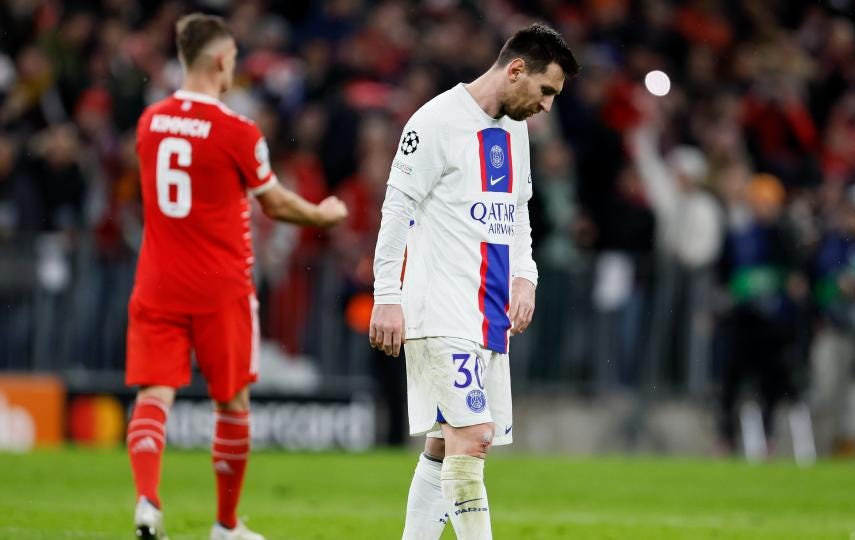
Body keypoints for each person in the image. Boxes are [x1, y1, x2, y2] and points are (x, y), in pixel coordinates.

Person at [124, 13, 347, 540]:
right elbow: (274, 204)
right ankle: (225, 526)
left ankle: (147, 500)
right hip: (220, 284)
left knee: (154, 393)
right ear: (223, 62)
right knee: (232, 401)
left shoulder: (149, 121)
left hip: (157, 279)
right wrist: (322, 213)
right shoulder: (237, 131)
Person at [369, 23, 579, 540]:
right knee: (473, 437)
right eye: (546, 91)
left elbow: (518, 212)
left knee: (443, 444)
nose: (548, 106)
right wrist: (386, 297)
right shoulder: (436, 121)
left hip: (487, 310)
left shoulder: (515, 130)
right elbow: (397, 209)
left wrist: (526, 277)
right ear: (515, 70)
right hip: (440, 307)